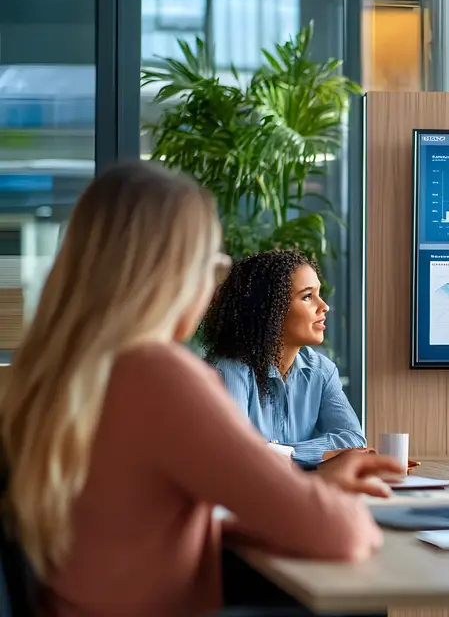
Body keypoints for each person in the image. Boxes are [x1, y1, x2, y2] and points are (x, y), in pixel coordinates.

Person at [0, 161, 403, 617]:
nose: (212, 288)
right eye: (212, 265)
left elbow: (136, 524)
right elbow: (343, 534)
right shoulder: (158, 375)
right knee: (358, 606)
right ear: (170, 271)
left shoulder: (52, 376)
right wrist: (324, 500)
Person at [201, 250, 366, 466]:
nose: (324, 306)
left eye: (319, 294)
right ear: (271, 309)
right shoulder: (228, 370)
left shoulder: (322, 371)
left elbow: (353, 441)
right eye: (308, 296)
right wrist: (317, 453)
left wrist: (283, 453)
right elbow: (234, 453)